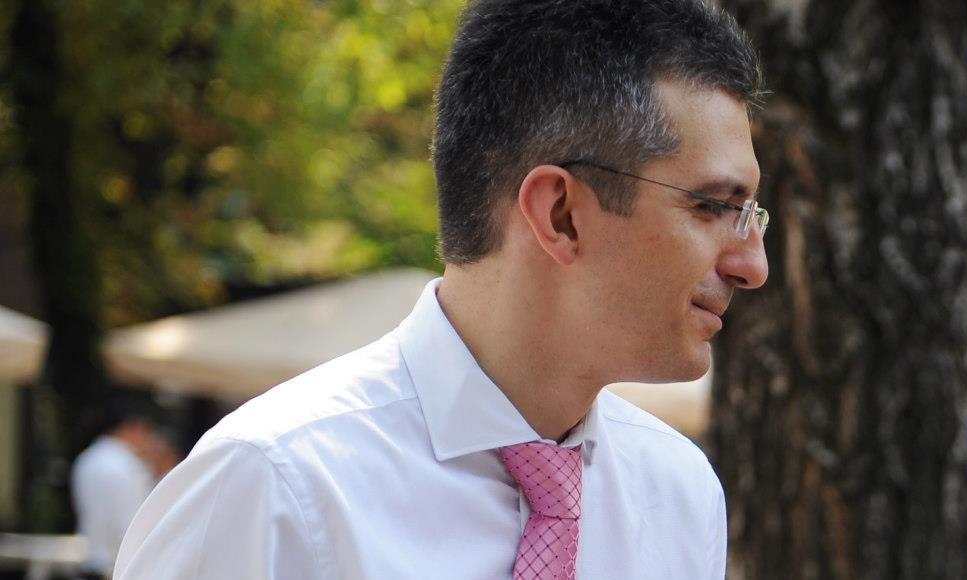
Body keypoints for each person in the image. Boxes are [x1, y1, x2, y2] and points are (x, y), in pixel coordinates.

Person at [116, 0, 768, 578]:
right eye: (713, 206)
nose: (752, 265)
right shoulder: (273, 486)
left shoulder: (678, 494)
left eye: (750, 215)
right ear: (560, 215)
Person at [71, 397, 177, 579]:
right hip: (117, 569)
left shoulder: (88, 458)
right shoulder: (128, 466)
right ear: (133, 427)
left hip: (91, 564)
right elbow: (135, 527)